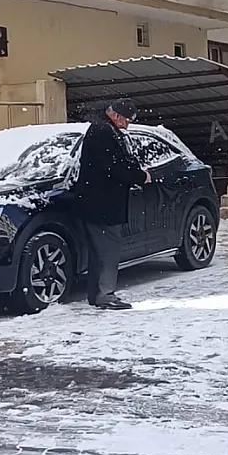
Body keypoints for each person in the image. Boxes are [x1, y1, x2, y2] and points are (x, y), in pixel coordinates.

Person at [71, 98, 152, 310]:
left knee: (102, 249)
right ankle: (103, 294)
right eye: (126, 119)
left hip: (99, 202)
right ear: (115, 115)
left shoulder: (105, 130)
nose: (128, 124)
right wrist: (139, 177)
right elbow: (113, 166)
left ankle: (100, 294)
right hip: (101, 204)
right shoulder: (102, 132)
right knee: (107, 249)